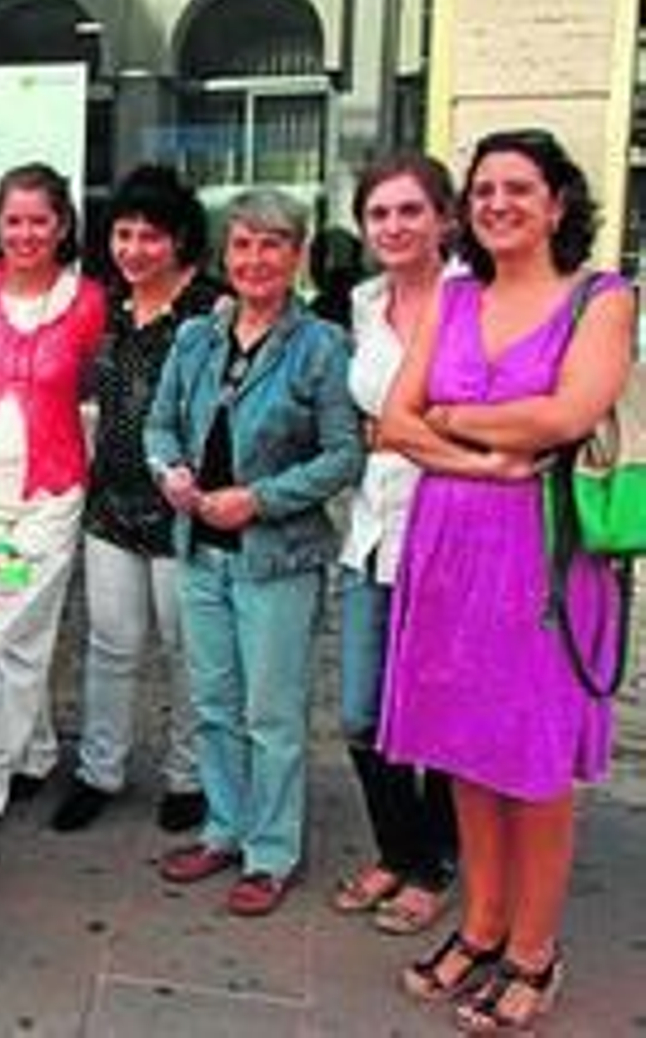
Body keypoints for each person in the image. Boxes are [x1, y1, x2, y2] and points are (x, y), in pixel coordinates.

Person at [378, 130, 634, 1030]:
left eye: (517, 188)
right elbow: (392, 427)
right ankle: (482, 928)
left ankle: (535, 950)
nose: (495, 204)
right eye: (482, 190)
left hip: (547, 557)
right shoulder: (452, 299)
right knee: (460, 750)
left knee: (532, 761)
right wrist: (486, 457)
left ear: (559, 203)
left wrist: (451, 416)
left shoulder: (601, 299)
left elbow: (570, 412)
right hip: (451, 544)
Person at [145, 187, 362, 917]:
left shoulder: (321, 346)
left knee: (272, 713)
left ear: (297, 255)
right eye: (242, 244)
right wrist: (169, 470)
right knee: (212, 702)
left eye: (272, 244)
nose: (255, 259)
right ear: (224, 255)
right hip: (199, 549)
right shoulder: (196, 337)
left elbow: (342, 455)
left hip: (276, 560)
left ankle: (271, 852)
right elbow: (159, 425)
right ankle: (224, 827)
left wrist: (260, 498)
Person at [0, 161, 107, 830]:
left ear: (62, 225)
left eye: (39, 220)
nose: (26, 233)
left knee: (19, 638)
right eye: (14, 220)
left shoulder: (89, 301)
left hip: (52, 492)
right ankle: (33, 752)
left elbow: (97, 389)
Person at [51, 164, 222, 835]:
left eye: (150, 236)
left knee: (187, 651)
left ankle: (188, 777)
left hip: (182, 508)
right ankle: (100, 770)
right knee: (111, 644)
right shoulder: (112, 307)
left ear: (179, 239)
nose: (134, 249)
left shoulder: (211, 310)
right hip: (111, 504)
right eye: (123, 235)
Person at [328, 154, 459, 936]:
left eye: (411, 211)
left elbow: (466, 412)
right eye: (380, 214)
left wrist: (406, 432)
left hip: (448, 524)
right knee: (357, 708)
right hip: (371, 527)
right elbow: (365, 423)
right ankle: (395, 848)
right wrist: (402, 431)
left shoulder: (474, 300)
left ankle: (433, 863)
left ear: (444, 218)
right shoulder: (364, 302)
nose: (395, 227)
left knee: (435, 709)